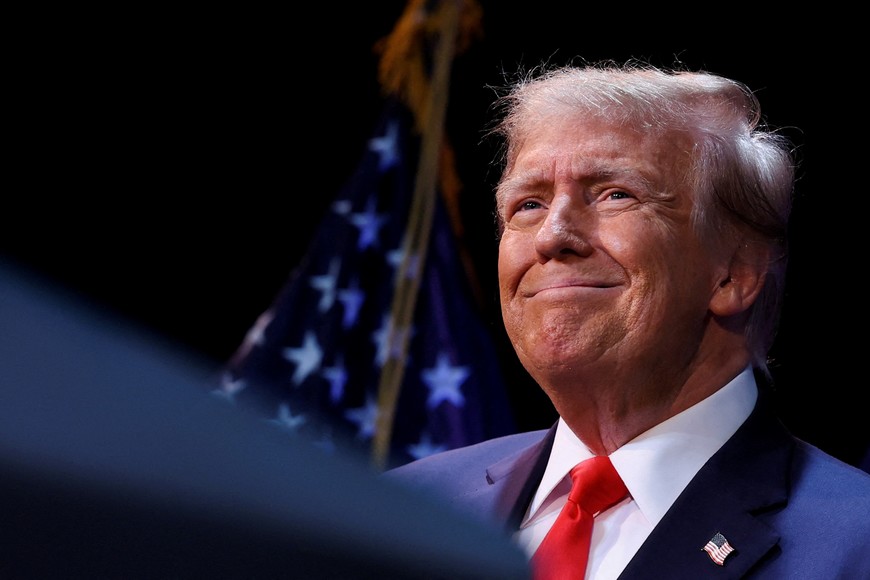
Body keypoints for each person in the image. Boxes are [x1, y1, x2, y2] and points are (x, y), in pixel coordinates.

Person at [385, 61, 870, 578]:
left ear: (734, 274)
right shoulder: (398, 512)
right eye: (528, 204)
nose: (552, 236)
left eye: (616, 194)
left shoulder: (855, 542)